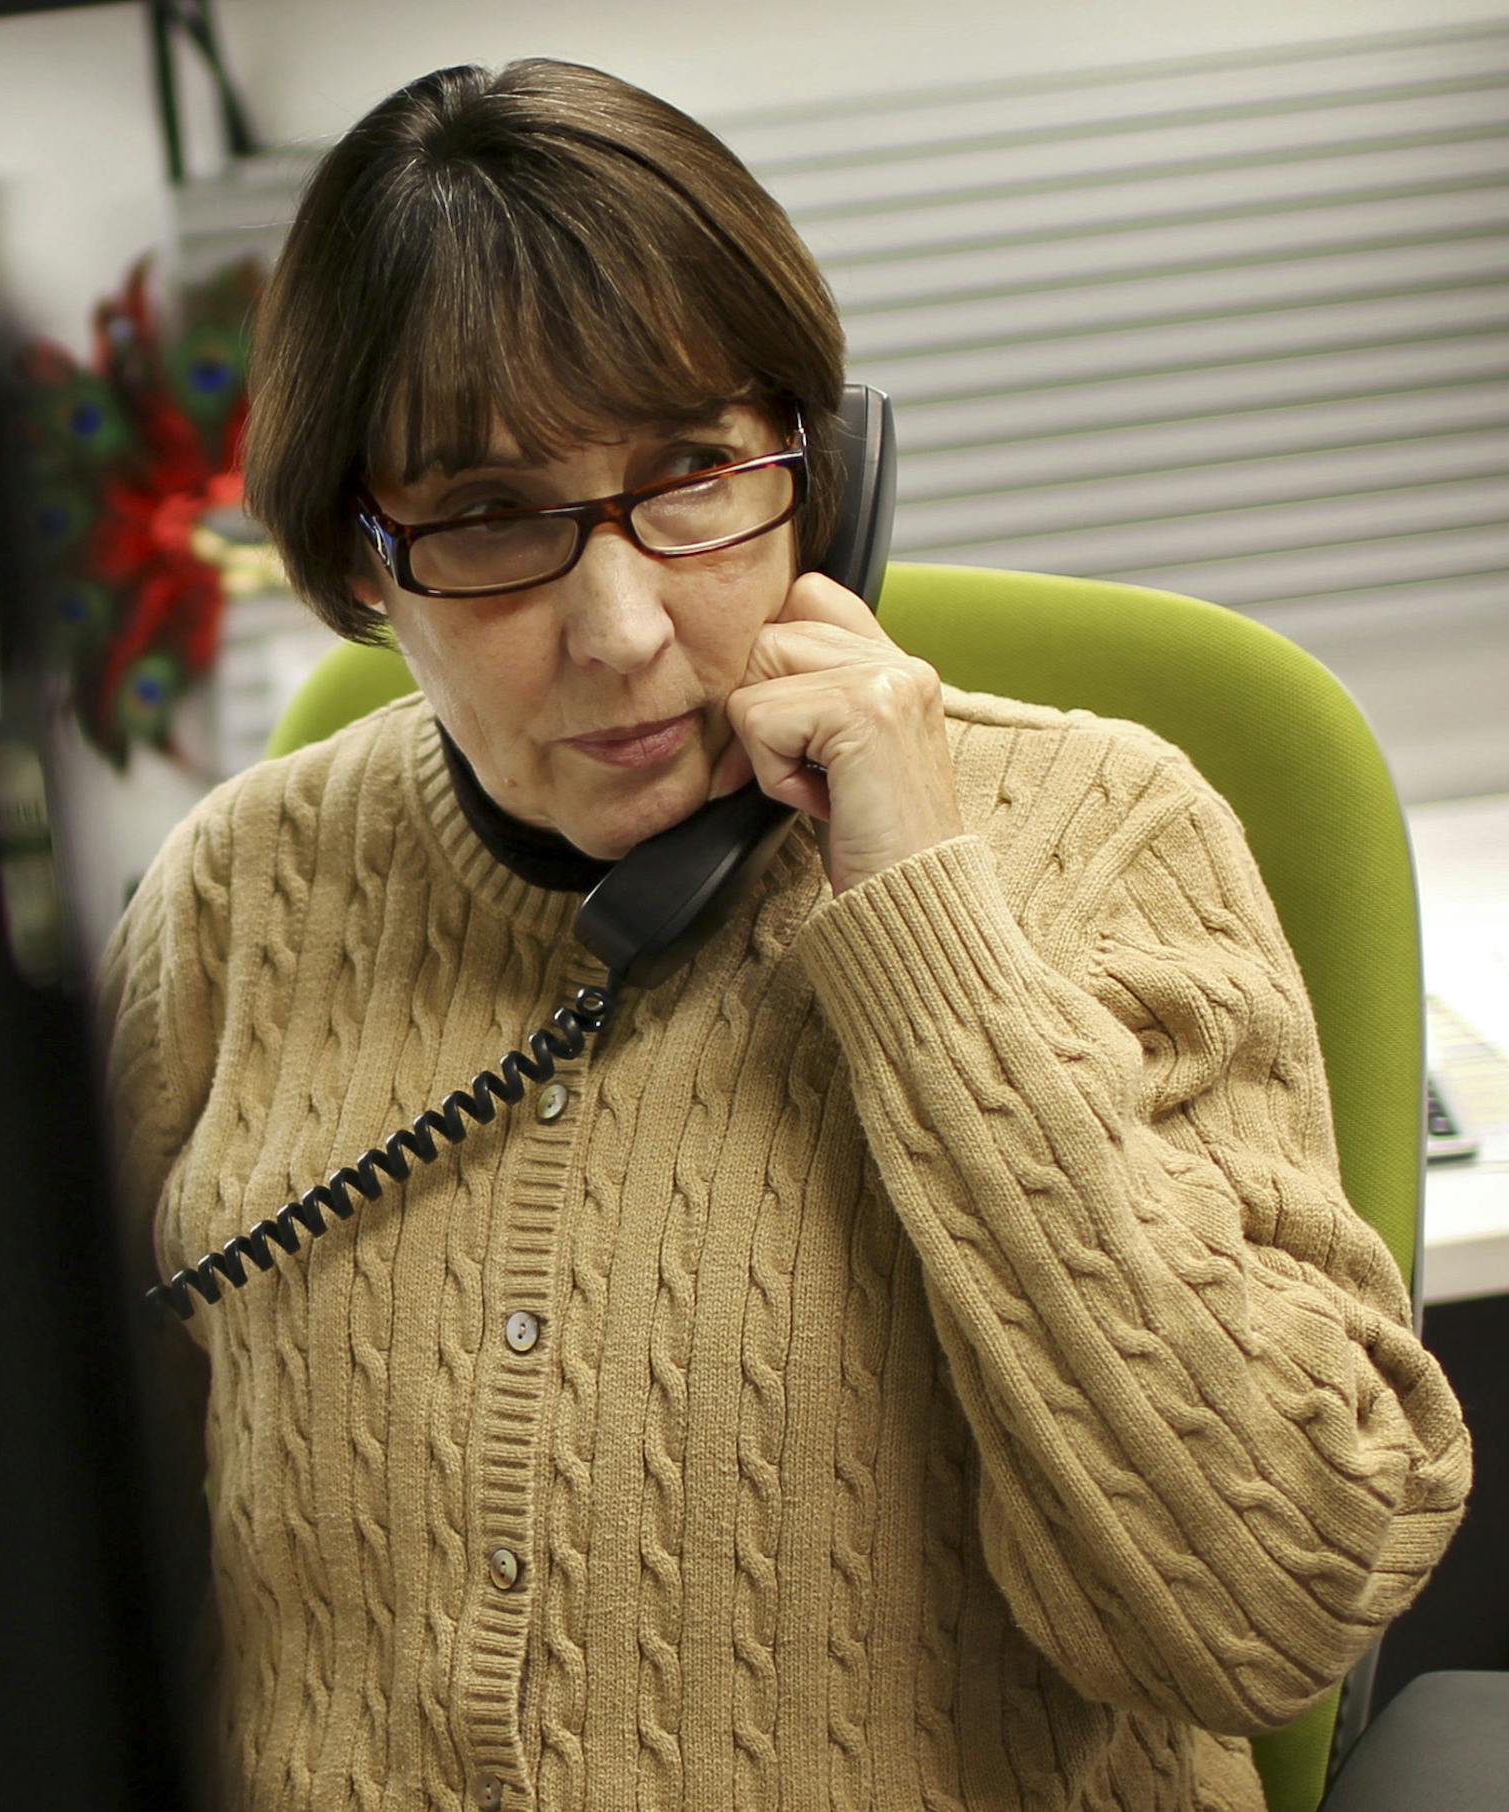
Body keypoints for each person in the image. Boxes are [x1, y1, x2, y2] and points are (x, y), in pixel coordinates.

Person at [99, 57, 1472, 1812]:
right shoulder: (241, 894)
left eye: (694, 475)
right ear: (359, 559)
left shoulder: (1103, 832)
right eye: (493, 517)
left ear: (828, 481)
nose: (622, 629)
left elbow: (1263, 1609)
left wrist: (925, 934)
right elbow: (0, 1516)